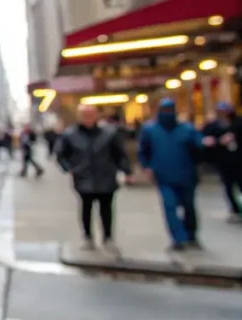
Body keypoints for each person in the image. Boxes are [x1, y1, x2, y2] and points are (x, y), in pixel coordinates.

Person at [56, 104, 132, 251]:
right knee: (86, 208)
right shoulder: (70, 134)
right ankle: (88, 237)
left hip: (106, 176)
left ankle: (108, 237)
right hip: (83, 177)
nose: (88, 118)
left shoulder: (109, 133)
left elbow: (120, 155)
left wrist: (126, 171)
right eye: (85, 115)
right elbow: (60, 154)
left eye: (91, 114)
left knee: (106, 209)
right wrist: (69, 168)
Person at [138, 98, 204, 251]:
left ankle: (191, 235)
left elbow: (199, 151)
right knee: (170, 206)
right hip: (164, 177)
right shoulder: (150, 130)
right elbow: (143, 151)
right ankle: (178, 238)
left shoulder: (187, 129)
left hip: (187, 176)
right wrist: (147, 167)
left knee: (189, 206)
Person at [201, 102, 242, 221]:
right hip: (224, 161)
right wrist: (218, 141)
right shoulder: (214, 125)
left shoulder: (238, 123)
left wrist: (235, 137)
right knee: (228, 187)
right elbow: (207, 139)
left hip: (239, 160)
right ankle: (235, 210)